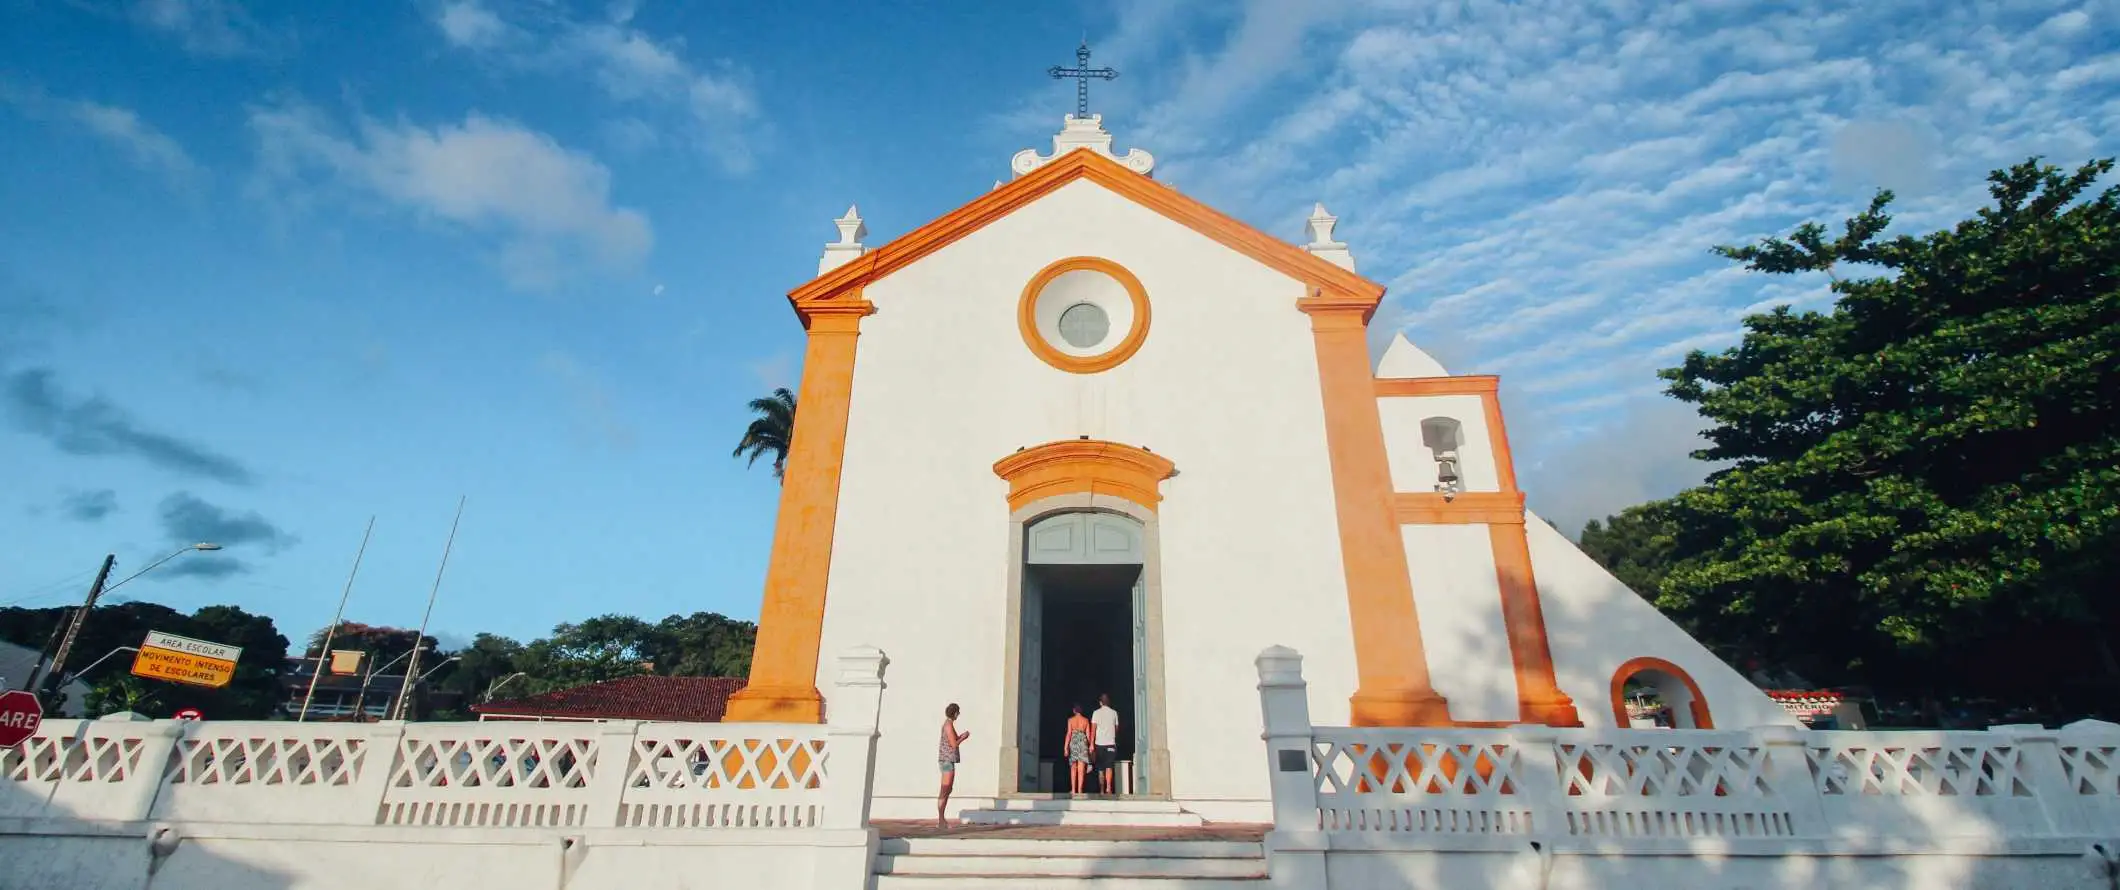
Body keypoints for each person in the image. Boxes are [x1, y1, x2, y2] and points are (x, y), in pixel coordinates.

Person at [937, 703, 969, 828]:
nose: (958, 715)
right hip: (947, 761)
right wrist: (964, 738)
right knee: (945, 790)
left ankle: (941, 819)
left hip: (947, 760)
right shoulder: (948, 725)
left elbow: (954, 739)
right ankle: (941, 820)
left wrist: (961, 736)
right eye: (958, 712)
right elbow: (954, 744)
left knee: (947, 789)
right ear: (954, 712)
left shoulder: (948, 724)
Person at [1090, 693, 1120, 795]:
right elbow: (1116, 729)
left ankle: (1102, 789)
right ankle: (1108, 788)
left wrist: (1091, 744)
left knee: (1100, 768)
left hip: (1099, 744)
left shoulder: (1096, 713)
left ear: (1100, 702)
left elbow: (1093, 730)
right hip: (1110, 743)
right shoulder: (1114, 713)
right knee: (1109, 767)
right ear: (1109, 702)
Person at [1063, 703, 1093, 795]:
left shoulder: (1071, 720)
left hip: (1074, 741)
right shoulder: (1085, 720)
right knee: (1081, 768)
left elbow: (1068, 733)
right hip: (1082, 742)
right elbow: (1088, 735)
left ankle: (1073, 789)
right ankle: (1080, 790)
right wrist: (1091, 745)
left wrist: (1065, 747)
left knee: (1073, 767)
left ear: (1074, 711)